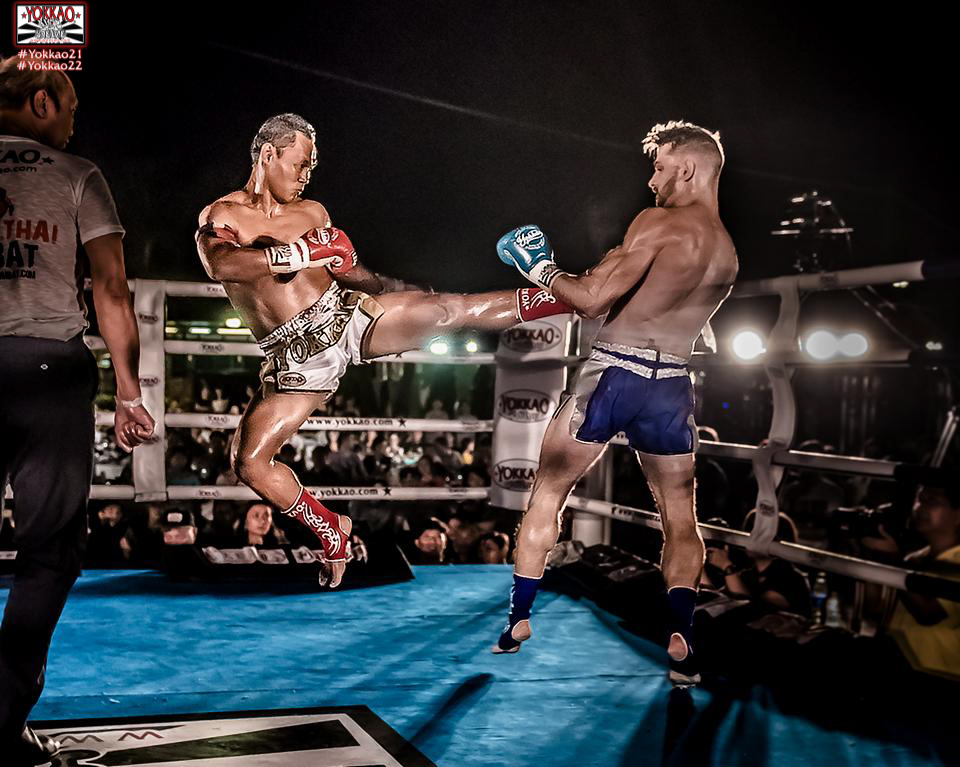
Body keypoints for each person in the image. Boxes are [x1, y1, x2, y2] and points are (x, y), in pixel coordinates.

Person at [195, 113, 573, 588]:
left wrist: (379, 280)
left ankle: (569, 295)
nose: (307, 174)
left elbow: (349, 273)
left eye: (312, 166)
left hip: (347, 316)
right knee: (248, 462)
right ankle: (330, 529)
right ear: (268, 154)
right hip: (295, 360)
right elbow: (222, 264)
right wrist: (299, 254)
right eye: (300, 163)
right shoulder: (224, 215)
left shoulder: (312, 212)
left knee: (448, 311)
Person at [493, 120, 738, 688]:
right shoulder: (728, 252)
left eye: (659, 167)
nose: (652, 181)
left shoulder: (658, 222)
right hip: (672, 382)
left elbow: (591, 300)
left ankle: (518, 619)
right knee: (680, 515)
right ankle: (682, 638)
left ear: (687, 167)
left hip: (614, 374)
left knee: (548, 491)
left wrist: (539, 266)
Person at [0, 59, 155, 765]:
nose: (72, 122)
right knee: (50, 549)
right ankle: (2, 717)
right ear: (41, 101)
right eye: (68, 108)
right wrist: (128, 389)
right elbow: (111, 288)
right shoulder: (76, 173)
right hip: (45, 367)